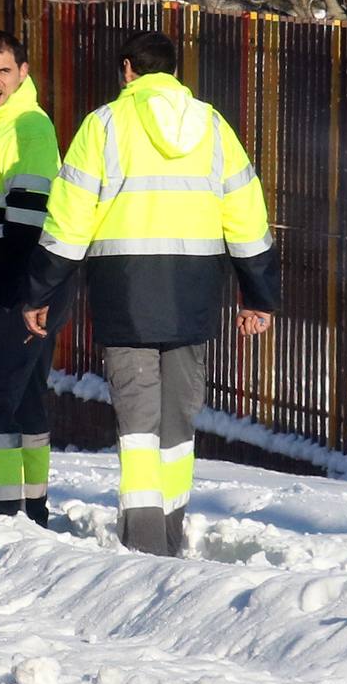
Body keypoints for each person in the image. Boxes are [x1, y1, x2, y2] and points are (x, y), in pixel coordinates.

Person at [22, 30, 280, 557]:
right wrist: (258, 295)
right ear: (173, 72)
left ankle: (144, 548)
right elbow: (247, 214)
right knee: (179, 422)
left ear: (127, 71)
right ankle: (170, 534)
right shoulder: (213, 126)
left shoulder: (104, 126)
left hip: (125, 293)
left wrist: (40, 289)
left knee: (137, 423)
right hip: (195, 293)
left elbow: (69, 219)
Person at [0, 30, 65, 527]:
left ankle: (1, 516)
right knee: (23, 397)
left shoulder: (27, 127)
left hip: (18, 286)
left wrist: (25, 293)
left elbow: (29, 217)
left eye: (4, 71)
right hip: (13, 283)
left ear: (24, 73)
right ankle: (31, 511)